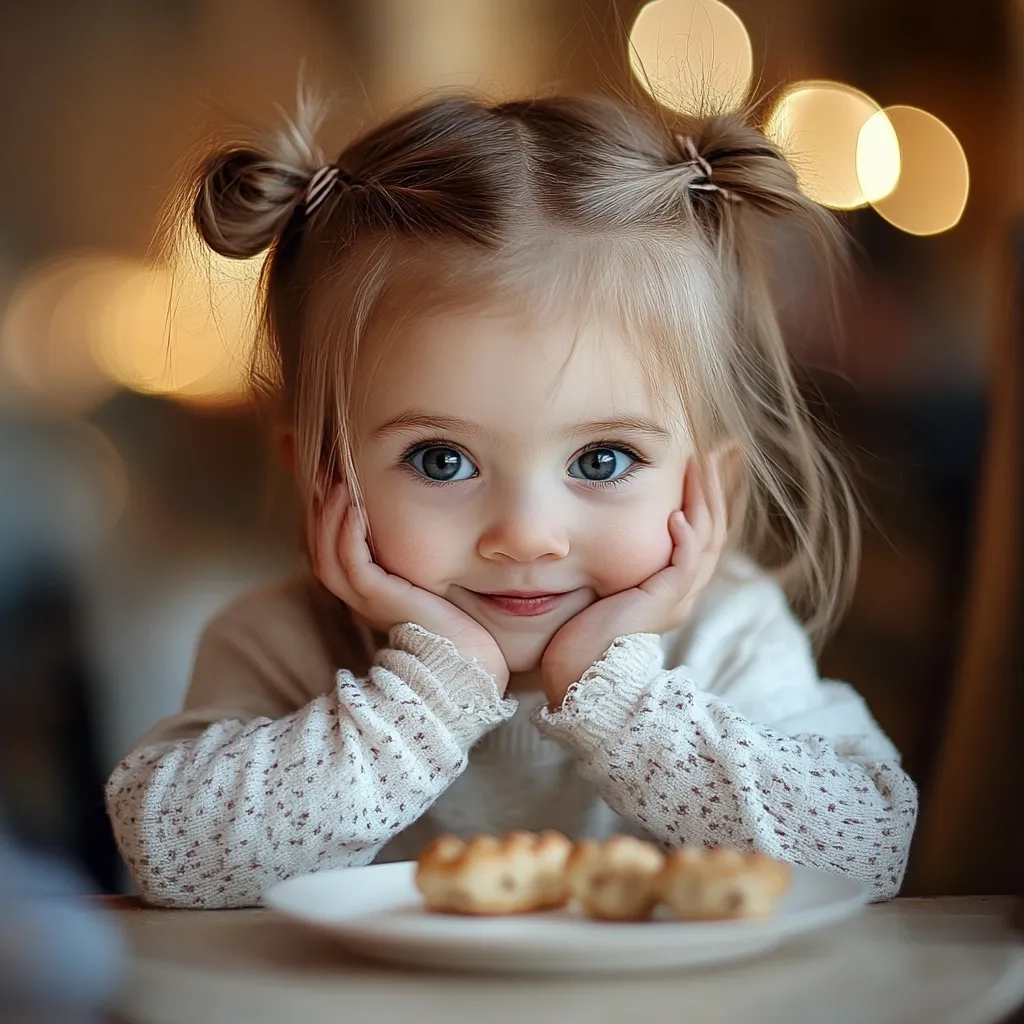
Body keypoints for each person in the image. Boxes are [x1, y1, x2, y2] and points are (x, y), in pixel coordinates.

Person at [105, 92, 918, 909]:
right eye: (441, 460)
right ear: (320, 476)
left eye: (602, 460)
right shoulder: (286, 643)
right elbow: (173, 860)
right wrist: (429, 694)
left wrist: (619, 700)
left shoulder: (725, 636)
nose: (526, 536)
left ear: (713, 486)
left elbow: (863, 854)